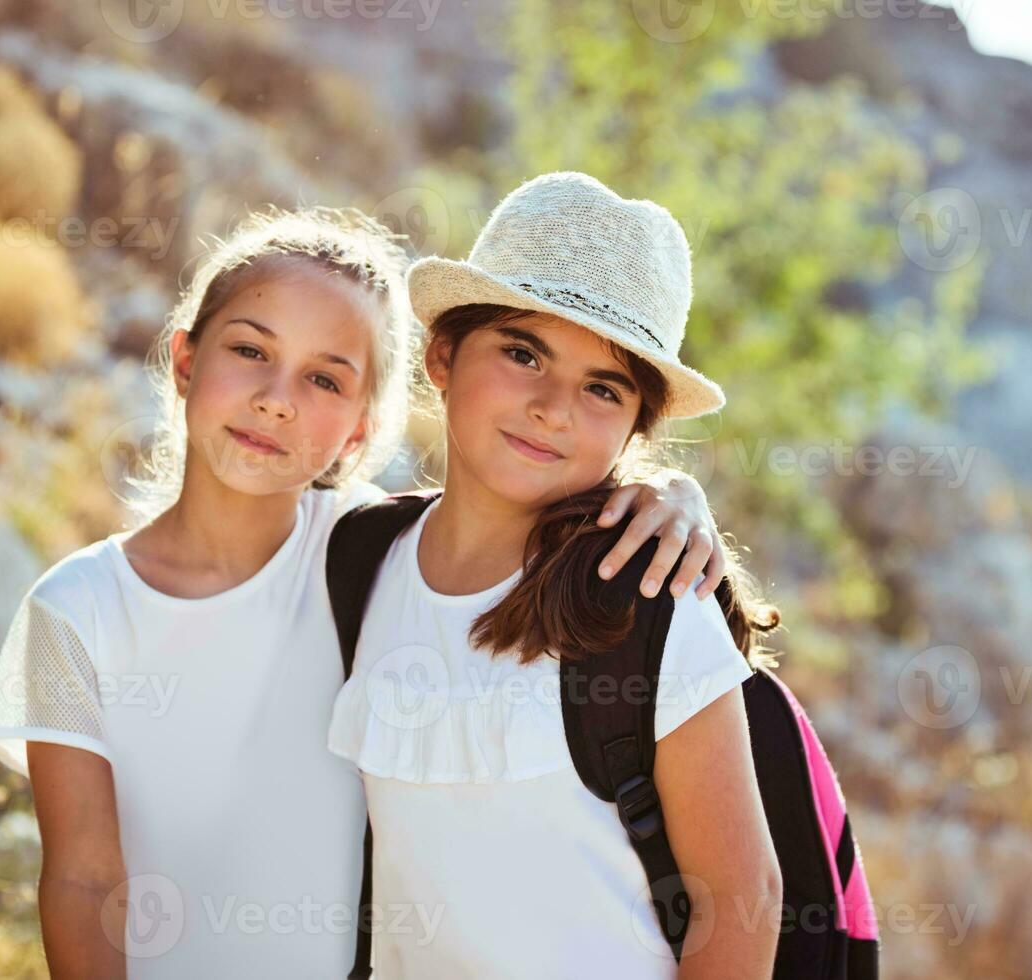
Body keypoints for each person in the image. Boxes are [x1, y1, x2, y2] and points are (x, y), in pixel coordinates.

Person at [0, 205, 731, 978]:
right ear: (183, 360)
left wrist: (672, 494)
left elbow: (510, 511)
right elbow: (80, 879)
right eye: (249, 350)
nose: (277, 399)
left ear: (360, 428)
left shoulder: (361, 553)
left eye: (324, 378)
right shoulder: (75, 609)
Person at [328, 172, 783, 978]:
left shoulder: (648, 598)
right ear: (442, 355)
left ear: (635, 430)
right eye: (522, 352)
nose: (553, 408)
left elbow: (740, 901)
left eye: (601, 388)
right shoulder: (359, 556)